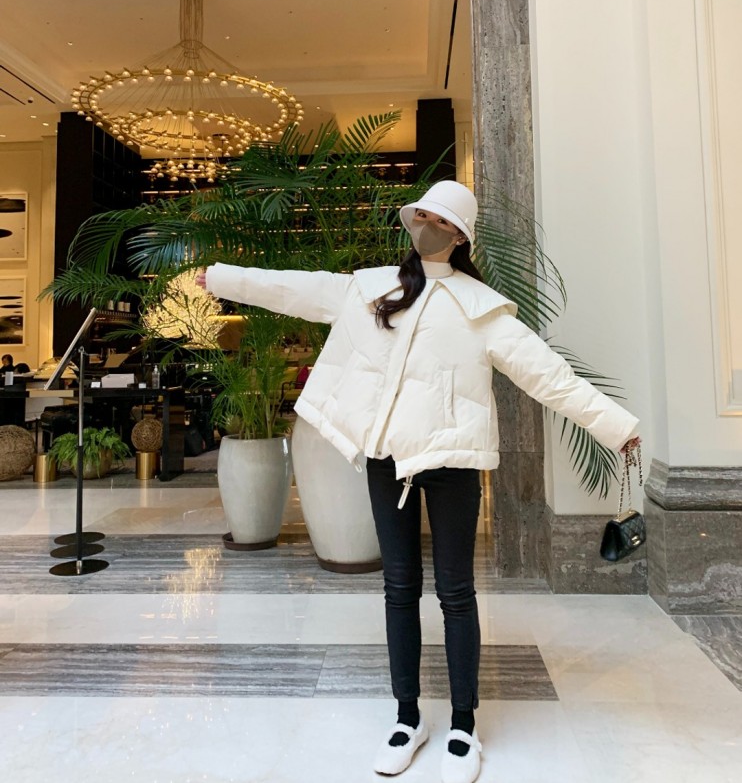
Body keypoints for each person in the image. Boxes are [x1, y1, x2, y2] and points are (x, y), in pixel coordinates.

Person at [196, 180, 640, 783]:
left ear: (459, 237)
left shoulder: (483, 310)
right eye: (422, 214)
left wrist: (616, 427)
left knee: (456, 594)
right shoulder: (370, 288)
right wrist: (224, 278)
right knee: (398, 588)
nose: (426, 224)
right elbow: (293, 287)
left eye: (439, 219)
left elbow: (551, 377)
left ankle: (463, 725)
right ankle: (407, 719)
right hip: (388, 461)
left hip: (453, 464)